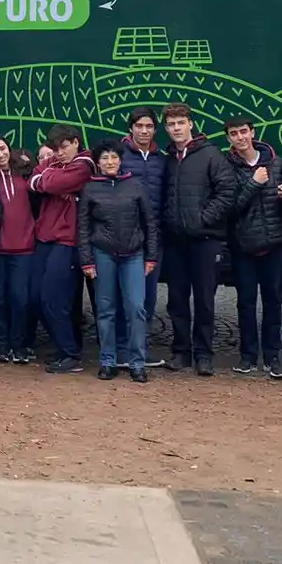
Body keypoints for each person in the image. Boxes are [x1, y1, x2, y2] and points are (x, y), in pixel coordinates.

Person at [161, 104, 236, 376]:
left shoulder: (211, 154)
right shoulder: (167, 158)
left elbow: (227, 191)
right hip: (175, 241)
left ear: (191, 123)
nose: (177, 128)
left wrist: (203, 219)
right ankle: (181, 352)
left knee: (204, 299)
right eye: (171, 125)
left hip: (206, 240)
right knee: (176, 299)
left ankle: (204, 355)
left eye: (181, 122)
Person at [76, 139, 159, 382]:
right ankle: (108, 361)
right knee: (105, 310)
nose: (110, 162)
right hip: (103, 254)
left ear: (120, 160)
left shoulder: (135, 184)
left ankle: (137, 362)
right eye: (104, 158)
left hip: (133, 254)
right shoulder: (90, 188)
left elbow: (149, 222)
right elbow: (83, 227)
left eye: (113, 157)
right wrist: (86, 260)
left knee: (136, 308)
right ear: (97, 163)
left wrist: (151, 255)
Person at [224, 116, 282, 379]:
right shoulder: (227, 167)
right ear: (229, 138)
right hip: (243, 246)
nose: (240, 137)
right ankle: (248, 356)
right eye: (234, 133)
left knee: (273, 300)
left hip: (275, 244)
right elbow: (230, 209)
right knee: (245, 302)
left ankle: (273, 356)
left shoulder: (276, 163)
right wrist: (254, 183)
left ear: (253, 132)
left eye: (244, 131)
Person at [29, 124, 94, 375]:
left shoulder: (86, 163)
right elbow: (33, 181)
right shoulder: (55, 164)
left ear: (76, 142)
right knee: (35, 297)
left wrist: (49, 181)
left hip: (68, 241)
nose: (59, 154)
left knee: (54, 298)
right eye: (55, 150)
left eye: (64, 147)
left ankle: (70, 353)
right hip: (45, 237)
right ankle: (65, 346)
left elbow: (50, 184)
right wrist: (50, 180)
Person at [119, 107, 167, 369]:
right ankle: (118, 350)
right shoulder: (119, 155)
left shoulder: (163, 158)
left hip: (153, 237)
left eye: (149, 126)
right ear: (131, 128)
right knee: (122, 296)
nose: (144, 131)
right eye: (139, 126)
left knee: (147, 298)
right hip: (123, 236)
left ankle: (140, 348)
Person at [0, 135, 35, 364]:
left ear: (9, 149)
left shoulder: (26, 173)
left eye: (2, 149)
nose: (0, 155)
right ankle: (1, 345)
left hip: (24, 248)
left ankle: (20, 345)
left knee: (20, 298)